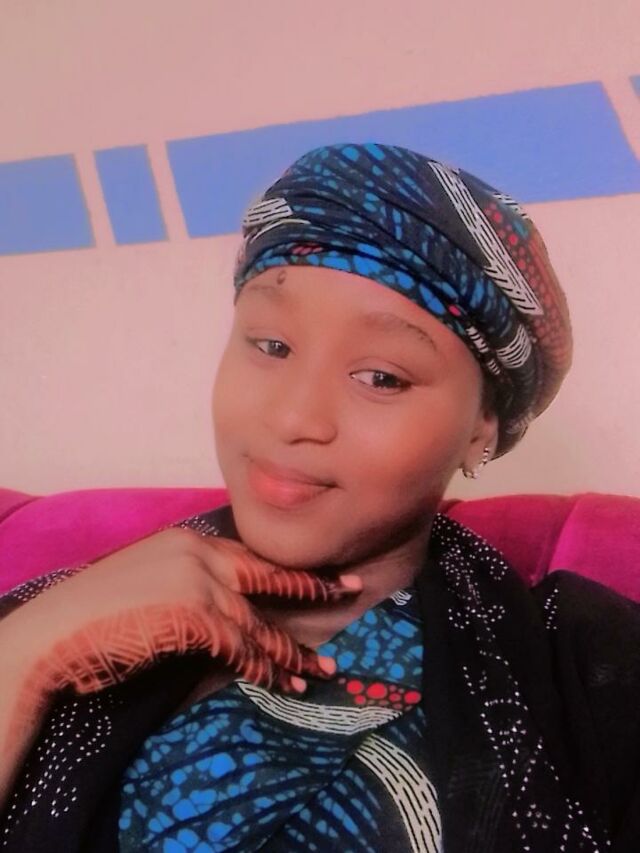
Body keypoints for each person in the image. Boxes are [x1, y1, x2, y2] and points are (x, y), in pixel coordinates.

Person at [0, 142, 638, 853]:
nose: (293, 417)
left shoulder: (591, 669)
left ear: (481, 427)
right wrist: (24, 657)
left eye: (381, 377)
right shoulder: (55, 608)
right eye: (270, 346)